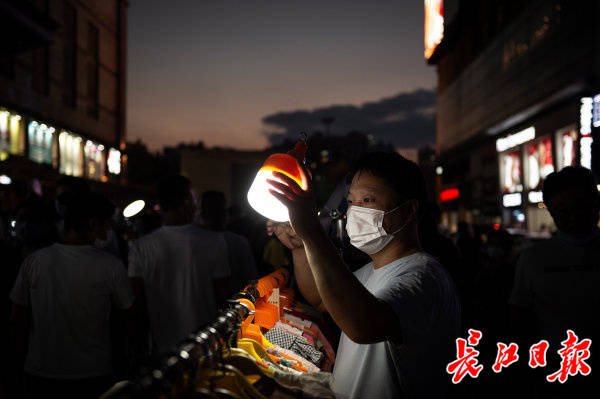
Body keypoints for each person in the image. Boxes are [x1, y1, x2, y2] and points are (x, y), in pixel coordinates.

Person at [268, 152, 460, 398]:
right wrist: (299, 247)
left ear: (409, 210)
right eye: (351, 201)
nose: (356, 210)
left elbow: (363, 326)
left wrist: (312, 232)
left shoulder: (423, 277)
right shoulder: (369, 272)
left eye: (368, 200)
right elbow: (320, 298)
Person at [9, 191, 134, 399]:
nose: (109, 229)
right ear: (93, 224)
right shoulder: (111, 266)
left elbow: (18, 319)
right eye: (106, 223)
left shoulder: (35, 261)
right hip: (94, 372)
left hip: (41, 372)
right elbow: (127, 317)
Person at [509, 166, 600, 395]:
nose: (573, 217)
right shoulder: (532, 259)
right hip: (553, 374)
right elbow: (520, 321)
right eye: (562, 210)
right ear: (550, 211)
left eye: (581, 207)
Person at [129, 175, 230, 356]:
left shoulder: (140, 247)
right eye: (192, 198)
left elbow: (138, 305)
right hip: (205, 345)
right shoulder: (214, 241)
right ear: (185, 202)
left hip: (162, 348)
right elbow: (223, 295)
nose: (195, 204)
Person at [197, 190, 258, 295]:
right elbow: (251, 279)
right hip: (234, 304)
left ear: (202, 214)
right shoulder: (238, 242)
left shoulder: (193, 242)